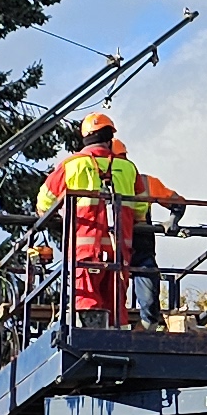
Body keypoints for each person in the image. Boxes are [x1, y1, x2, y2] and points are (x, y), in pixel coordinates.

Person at [33, 111, 183, 323]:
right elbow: (140, 210)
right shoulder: (128, 169)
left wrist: (56, 219)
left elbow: (44, 204)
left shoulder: (72, 165)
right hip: (119, 251)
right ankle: (120, 338)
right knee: (115, 307)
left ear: (85, 137)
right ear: (109, 138)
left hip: (85, 252)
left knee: (86, 300)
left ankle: (88, 338)